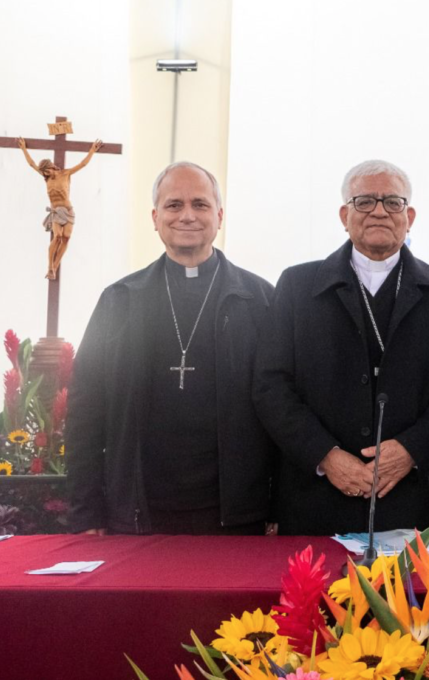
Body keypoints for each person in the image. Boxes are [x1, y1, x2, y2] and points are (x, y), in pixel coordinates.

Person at [253, 160, 429, 535]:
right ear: (344, 214)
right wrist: (326, 457)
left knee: (406, 595)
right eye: (365, 201)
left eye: (393, 202)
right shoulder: (297, 286)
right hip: (314, 495)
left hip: (406, 494)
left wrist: (411, 450)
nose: (379, 211)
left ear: (410, 215)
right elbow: (271, 385)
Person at [66, 162, 277, 535]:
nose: (187, 216)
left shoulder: (259, 300)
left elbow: (281, 407)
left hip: (237, 516)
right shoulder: (119, 301)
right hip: (137, 512)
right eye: (174, 205)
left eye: (200, 204)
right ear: (155, 216)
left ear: (220, 215)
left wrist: (279, 508)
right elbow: (86, 411)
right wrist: (86, 513)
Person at [18, 137, 103, 279]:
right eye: (44, 173)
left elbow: (82, 164)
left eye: (46, 172)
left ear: (51, 167)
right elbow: (32, 164)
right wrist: (23, 149)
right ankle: (49, 266)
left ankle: (54, 267)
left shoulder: (66, 174)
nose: (45, 175)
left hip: (68, 210)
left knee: (66, 238)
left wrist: (92, 150)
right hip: (56, 211)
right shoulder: (47, 178)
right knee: (57, 236)